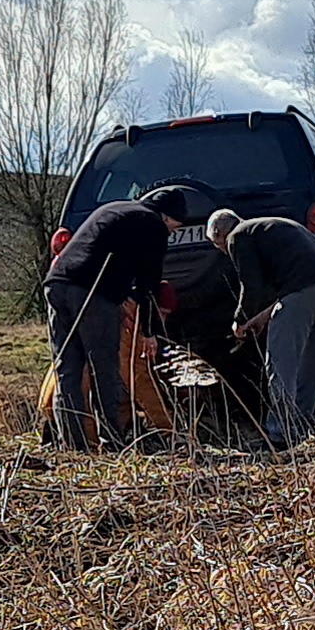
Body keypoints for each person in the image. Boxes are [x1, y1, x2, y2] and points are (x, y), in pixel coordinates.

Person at [43, 181, 198, 449]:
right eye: (175, 226)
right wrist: (149, 332)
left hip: (56, 284)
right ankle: (112, 441)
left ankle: (74, 445)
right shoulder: (153, 225)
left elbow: (103, 256)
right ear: (168, 216)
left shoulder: (113, 209)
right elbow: (149, 283)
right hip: (92, 291)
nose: (173, 232)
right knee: (105, 366)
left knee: (68, 367)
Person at [209, 206, 315, 448]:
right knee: (312, 362)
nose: (223, 251)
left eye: (217, 246)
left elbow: (251, 286)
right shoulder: (267, 227)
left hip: (302, 286)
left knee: (282, 361)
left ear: (220, 234)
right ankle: (302, 429)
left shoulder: (238, 236)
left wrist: (240, 320)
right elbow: (287, 286)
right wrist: (261, 319)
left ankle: (279, 434)